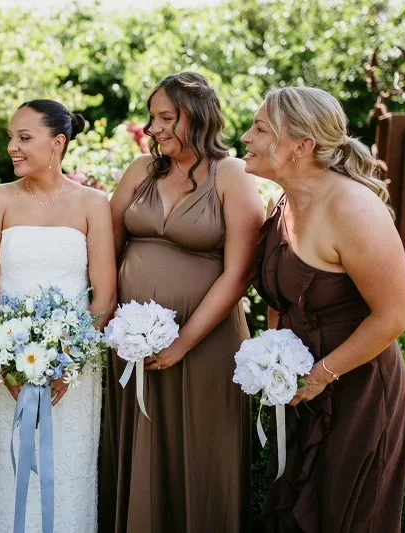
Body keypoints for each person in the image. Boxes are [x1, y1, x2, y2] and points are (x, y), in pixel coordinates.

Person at [101, 71, 264, 533]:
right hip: (132, 347)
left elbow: (239, 273)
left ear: (197, 117)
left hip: (206, 343)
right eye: (152, 118)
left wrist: (183, 343)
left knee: (200, 452)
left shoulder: (230, 174)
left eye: (166, 117)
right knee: (140, 448)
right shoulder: (141, 171)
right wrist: (112, 323)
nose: (154, 129)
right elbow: (105, 253)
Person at [243, 86, 405, 532]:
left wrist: (319, 376)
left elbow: (395, 315)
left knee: (345, 514)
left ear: (302, 145)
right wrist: (275, 366)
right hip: (302, 388)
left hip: (356, 390)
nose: (245, 138)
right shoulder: (282, 205)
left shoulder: (353, 208)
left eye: (260, 129)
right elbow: (280, 300)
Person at [0, 99, 116, 532]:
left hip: (73, 371)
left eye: (24, 138)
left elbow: (104, 295)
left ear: (57, 143)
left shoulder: (93, 203)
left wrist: (66, 361)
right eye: (11, 138)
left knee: (70, 477)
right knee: (14, 477)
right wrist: (10, 363)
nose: (13, 147)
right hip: (7, 370)